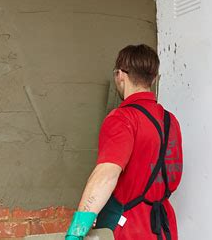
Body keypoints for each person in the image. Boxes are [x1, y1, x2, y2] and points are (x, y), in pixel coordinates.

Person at [65, 44, 183, 240]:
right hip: (164, 228)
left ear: (120, 74)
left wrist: (76, 232)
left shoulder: (123, 119)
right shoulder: (171, 122)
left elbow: (106, 176)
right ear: (152, 78)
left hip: (128, 229)